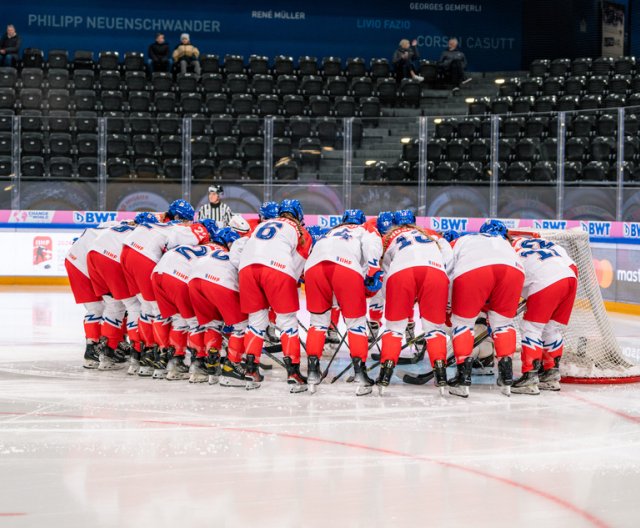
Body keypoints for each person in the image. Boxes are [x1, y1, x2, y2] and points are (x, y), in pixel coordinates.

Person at [303, 209, 383, 395]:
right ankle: (360, 374)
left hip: (314, 268)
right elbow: (372, 245)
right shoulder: (365, 229)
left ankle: (313, 372)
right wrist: (373, 270)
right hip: (345, 267)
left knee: (317, 323)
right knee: (356, 324)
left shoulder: (330, 232)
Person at [238, 199, 312, 391]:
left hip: (246, 269)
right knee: (287, 322)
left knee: (255, 322)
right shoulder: (301, 231)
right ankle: (293, 373)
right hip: (277, 270)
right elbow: (295, 269)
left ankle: (250, 370)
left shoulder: (262, 224)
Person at [376, 210, 452, 395]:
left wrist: (395, 298)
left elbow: (385, 271)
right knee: (435, 329)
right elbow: (449, 258)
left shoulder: (387, 238)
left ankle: (385, 375)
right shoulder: (430, 233)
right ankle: (441, 376)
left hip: (401, 273)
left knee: (394, 328)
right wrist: (442, 278)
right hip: (435, 272)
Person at [447, 219, 525, 398]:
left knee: (462, 323)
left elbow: (449, 271)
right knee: (503, 324)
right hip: (514, 271)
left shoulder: (464, 239)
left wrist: (449, 307)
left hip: (473, 270)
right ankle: (506, 378)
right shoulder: (507, 244)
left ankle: (462, 380)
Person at [86, 212, 159, 371]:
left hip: (92, 256)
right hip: (112, 259)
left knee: (112, 305)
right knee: (134, 306)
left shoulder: (121, 226)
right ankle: (136, 355)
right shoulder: (143, 235)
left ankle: (105, 354)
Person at [510, 236, 578, 394]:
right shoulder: (541, 244)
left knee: (531, 327)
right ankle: (551, 374)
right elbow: (572, 265)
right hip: (569, 278)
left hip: (544, 281)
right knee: (551, 328)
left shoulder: (509, 252)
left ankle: (530, 376)